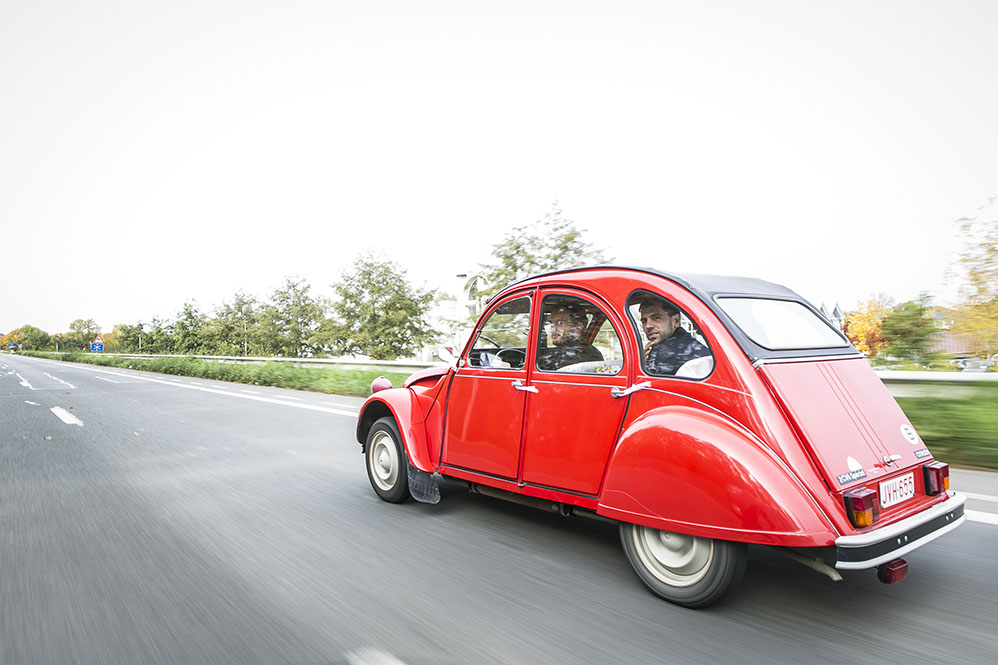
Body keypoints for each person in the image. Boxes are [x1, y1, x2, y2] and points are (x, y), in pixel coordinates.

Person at [638, 296, 711, 376]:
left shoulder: (659, 354)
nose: (648, 326)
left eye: (656, 318)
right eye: (644, 321)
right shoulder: (698, 347)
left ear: (676, 321)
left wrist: (642, 366)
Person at [536, 305, 603, 371]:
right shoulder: (594, 352)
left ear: (578, 327)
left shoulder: (565, 356)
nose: (553, 329)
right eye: (551, 323)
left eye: (560, 323)